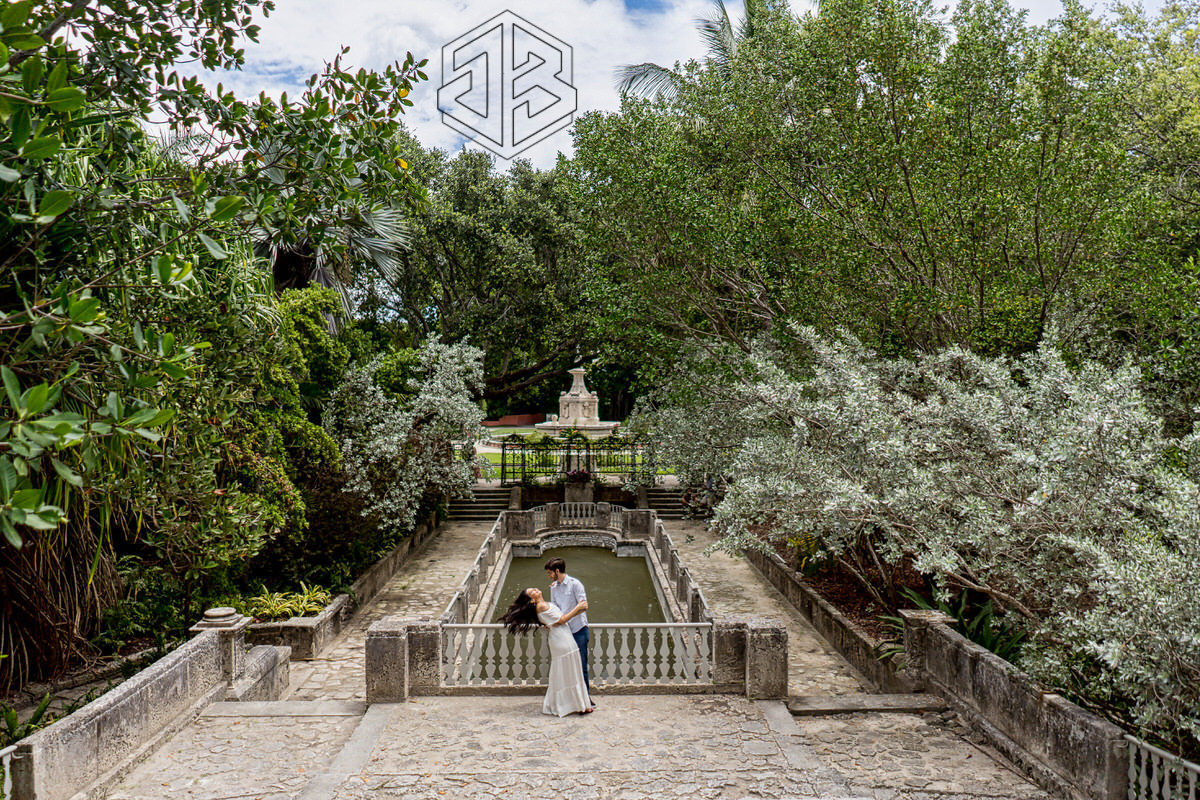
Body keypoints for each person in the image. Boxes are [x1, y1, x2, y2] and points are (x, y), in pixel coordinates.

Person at [499, 587, 592, 716]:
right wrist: (578, 608)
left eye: (534, 589)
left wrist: (579, 610)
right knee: (570, 670)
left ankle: (577, 704)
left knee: (569, 670)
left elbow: (555, 619)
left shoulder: (544, 604)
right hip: (562, 639)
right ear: (532, 600)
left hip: (563, 636)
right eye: (532, 592)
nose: (535, 589)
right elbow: (561, 620)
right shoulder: (541, 606)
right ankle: (578, 705)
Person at [544, 557, 594, 709]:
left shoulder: (575, 584)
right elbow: (555, 608)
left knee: (581, 666)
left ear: (557, 571)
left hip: (578, 629)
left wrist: (565, 618)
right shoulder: (553, 588)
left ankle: (586, 699)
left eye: (550, 573)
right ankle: (572, 700)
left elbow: (584, 606)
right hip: (564, 631)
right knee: (567, 667)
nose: (549, 576)